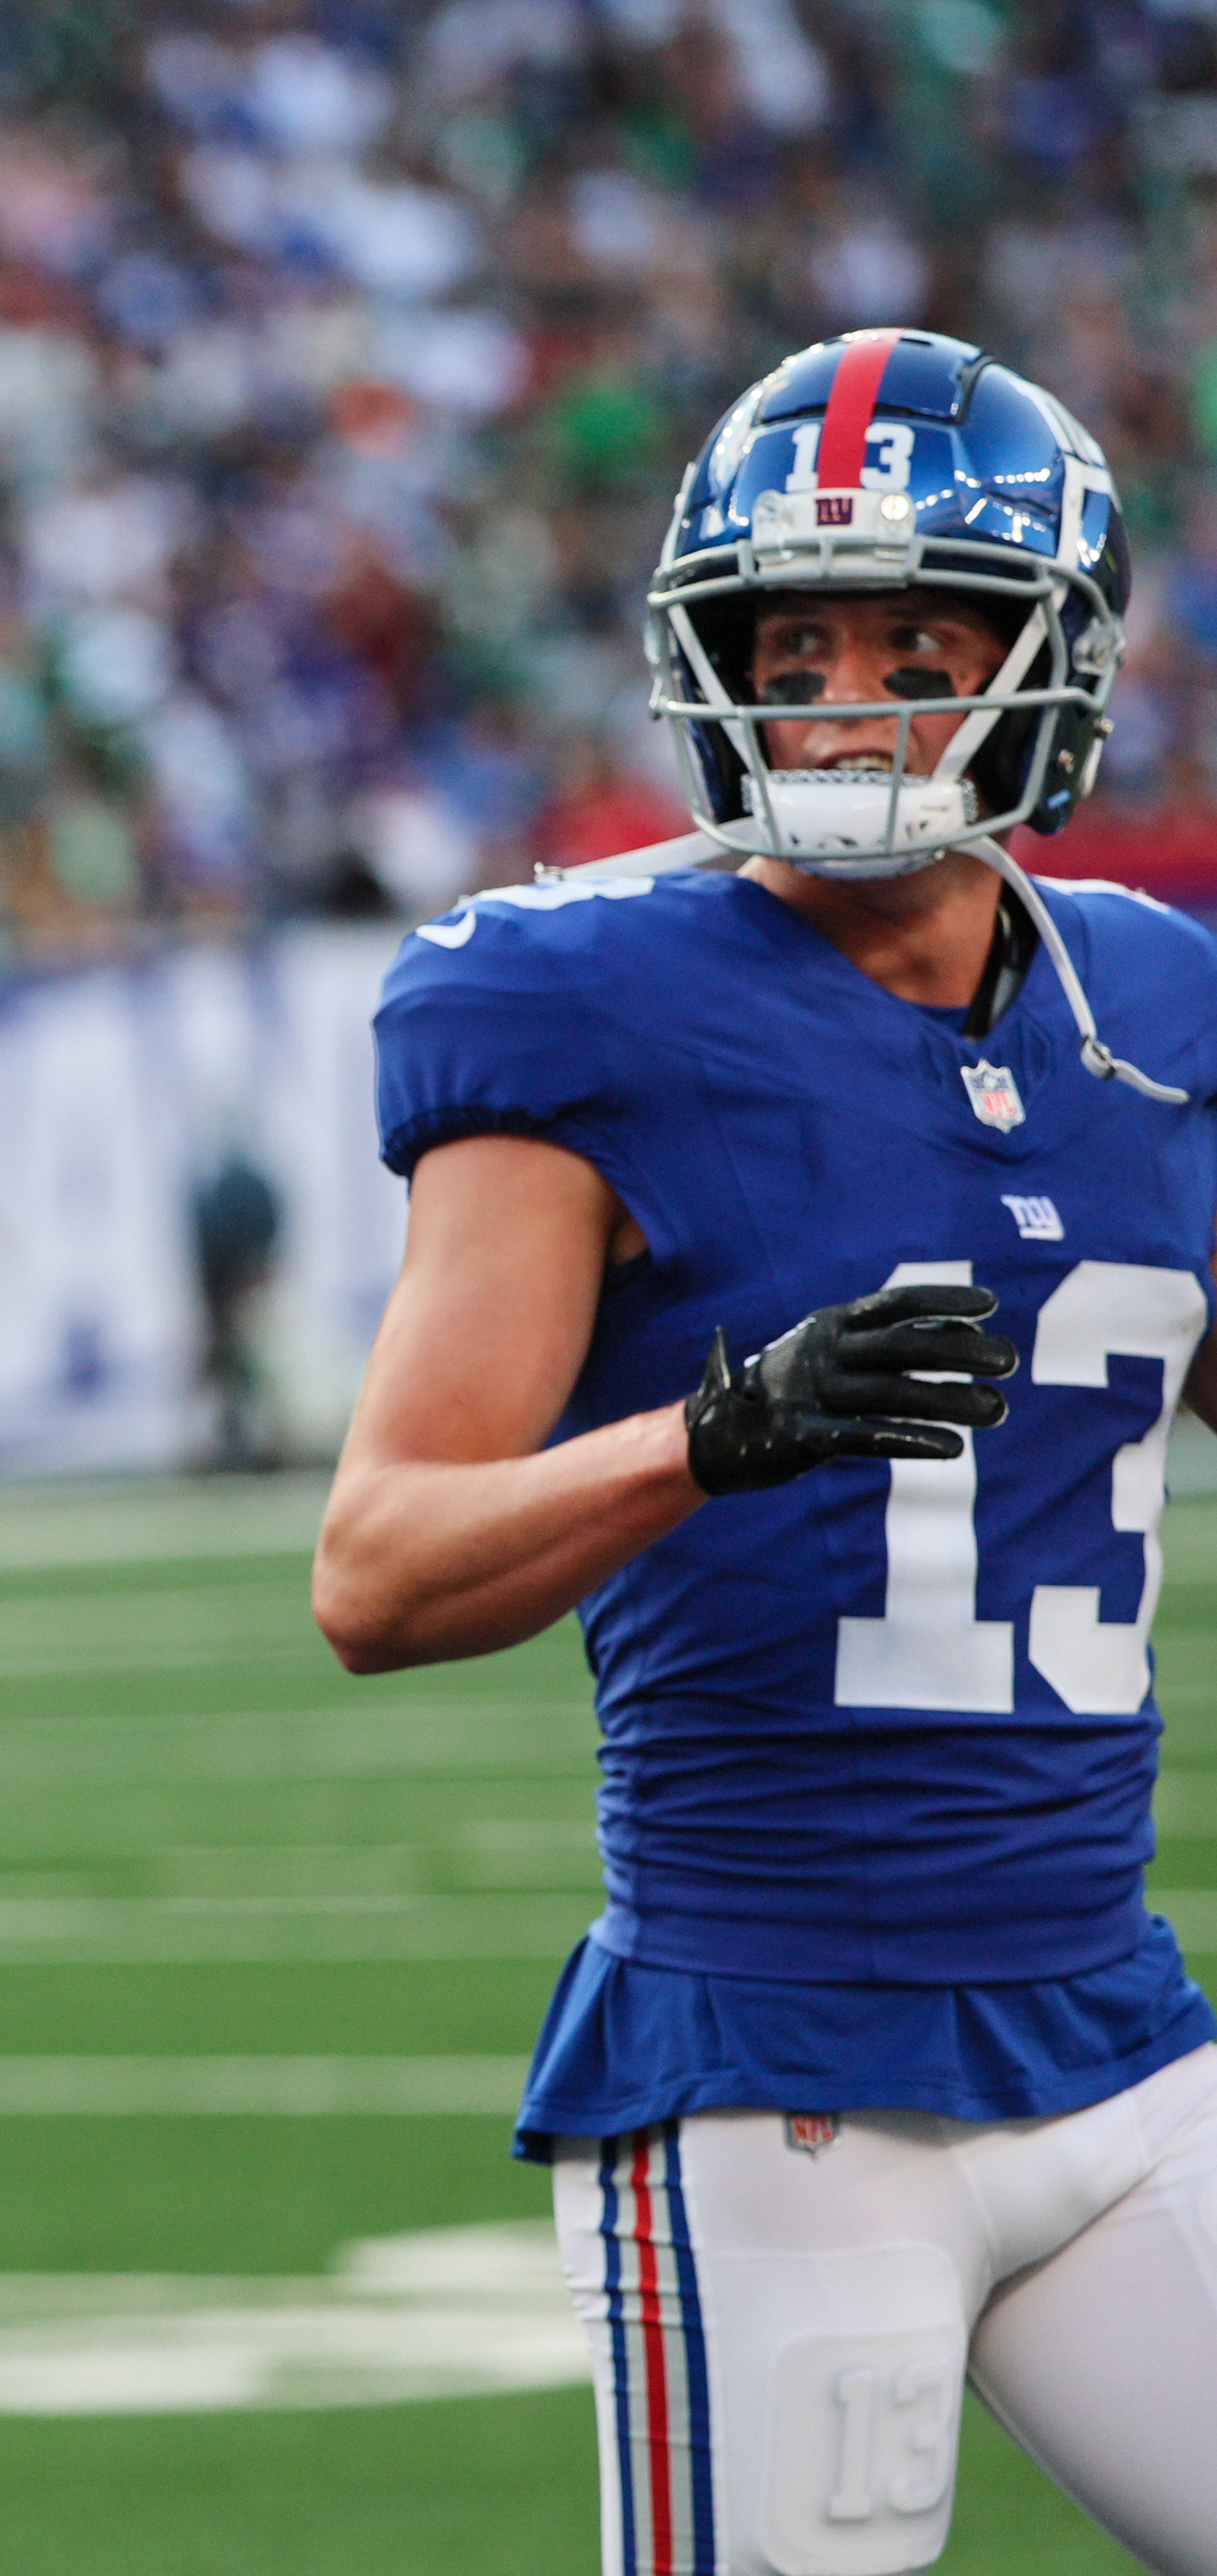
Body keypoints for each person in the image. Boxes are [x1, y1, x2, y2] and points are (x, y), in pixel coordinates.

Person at [316, 328, 1217, 2575]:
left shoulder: (1157, 1003)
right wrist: (717, 1435)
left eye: (920, 640)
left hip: (1114, 2032)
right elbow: (380, 1571)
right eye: (788, 642)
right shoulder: (585, 1001)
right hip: (777, 2073)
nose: (844, 700)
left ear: (1053, 658)